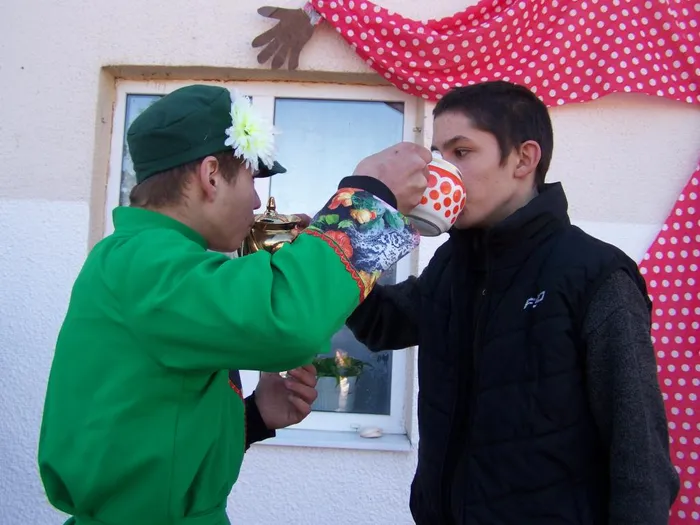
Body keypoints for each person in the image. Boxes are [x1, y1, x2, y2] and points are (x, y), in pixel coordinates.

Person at [37, 84, 430, 525]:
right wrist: (369, 197)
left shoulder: (143, 259)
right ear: (211, 176)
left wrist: (254, 416)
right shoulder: (146, 262)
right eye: (251, 180)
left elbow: (150, 427)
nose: (258, 201)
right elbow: (286, 318)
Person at [346, 81, 680, 524]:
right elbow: (384, 323)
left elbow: (641, 457)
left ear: (524, 159)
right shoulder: (453, 263)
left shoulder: (595, 273)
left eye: (461, 152)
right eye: (438, 156)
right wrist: (333, 245)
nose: (440, 173)